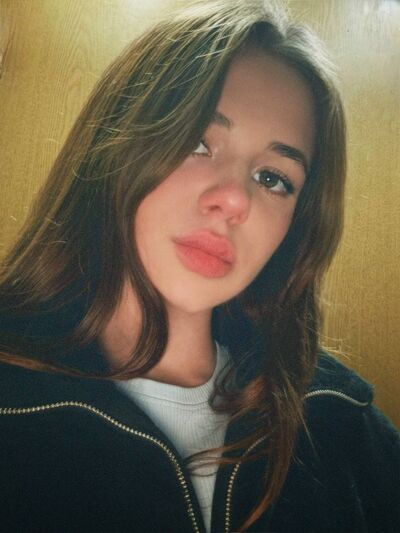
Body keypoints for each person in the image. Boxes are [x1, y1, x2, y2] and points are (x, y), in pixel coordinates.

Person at [0, 0, 398, 531]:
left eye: (273, 179)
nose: (234, 201)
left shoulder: (341, 418)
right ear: (116, 144)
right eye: (197, 142)